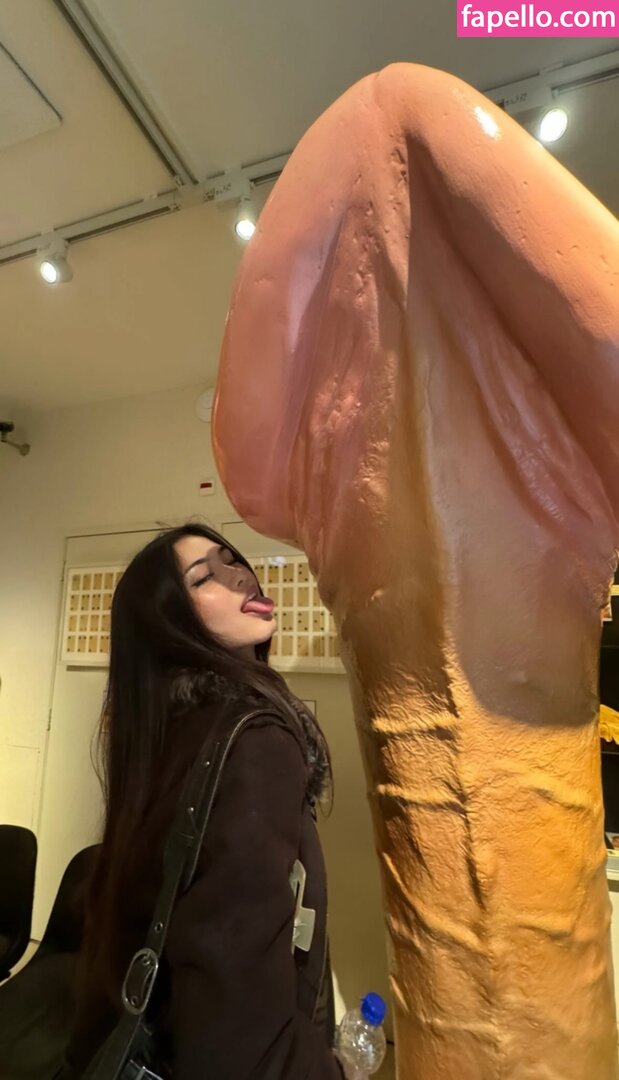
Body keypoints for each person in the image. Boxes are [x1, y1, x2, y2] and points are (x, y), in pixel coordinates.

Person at [62, 522, 344, 1079]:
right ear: (169, 621)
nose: (239, 575)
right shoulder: (255, 740)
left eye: (230, 558)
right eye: (203, 577)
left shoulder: (167, 730)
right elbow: (240, 1035)